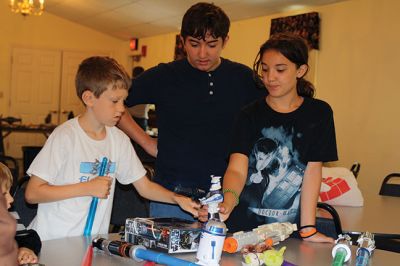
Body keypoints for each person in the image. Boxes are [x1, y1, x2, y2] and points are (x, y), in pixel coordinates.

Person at [25, 56, 199, 241]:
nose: (121, 109)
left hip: (88, 244)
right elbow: (33, 193)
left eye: (123, 101)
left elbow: (145, 188)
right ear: (89, 98)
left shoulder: (119, 140)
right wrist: (86, 187)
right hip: (51, 243)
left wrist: (176, 198)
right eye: (115, 101)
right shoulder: (66, 136)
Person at [118, 2, 265, 220]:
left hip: (226, 198)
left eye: (212, 45)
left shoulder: (243, 78)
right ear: (182, 41)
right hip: (172, 196)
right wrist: (146, 142)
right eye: (194, 44)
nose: (202, 53)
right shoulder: (164, 76)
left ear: (226, 41)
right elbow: (111, 101)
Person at [214, 33, 338, 243]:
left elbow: (312, 172)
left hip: (288, 232)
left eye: (280, 69)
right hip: (243, 232)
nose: (270, 77)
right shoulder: (248, 115)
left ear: (301, 70)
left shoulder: (319, 113)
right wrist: (228, 202)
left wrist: (308, 229)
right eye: (264, 69)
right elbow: (236, 169)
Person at [1, 162, 41, 265]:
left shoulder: (9, 217)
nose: (11, 199)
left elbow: (29, 237)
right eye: (4, 194)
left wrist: (25, 248)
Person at [127, 66, 150, 131]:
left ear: (133, 73)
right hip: (142, 118)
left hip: (129, 118)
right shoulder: (147, 85)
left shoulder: (128, 84)